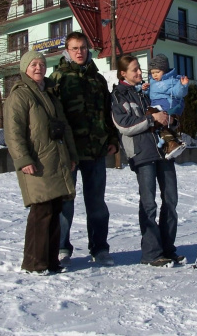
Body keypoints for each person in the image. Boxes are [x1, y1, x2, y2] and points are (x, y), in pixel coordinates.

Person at [4, 50, 78, 274]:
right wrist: (23, 158)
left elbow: (64, 127)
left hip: (55, 160)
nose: (38, 68)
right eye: (33, 64)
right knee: (41, 211)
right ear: (24, 68)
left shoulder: (49, 94)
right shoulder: (20, 95)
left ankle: (50, 261)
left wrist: (72, 155)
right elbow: (13, 132)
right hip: (36, 162)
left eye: (42, 64)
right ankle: (34, 262)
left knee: (54, 209)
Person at [48, 32, 119, 267]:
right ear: (67, 51)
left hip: (96, 150)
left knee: (96, 203)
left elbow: (107, 111)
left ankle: (99, 248)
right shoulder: (57, 78)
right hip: (69, 153)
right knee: (65, 202)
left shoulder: (97, 79)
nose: (80, 52)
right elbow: (52, 117)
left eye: (83, 48)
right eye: (75, 48)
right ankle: (61, 247)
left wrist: (112, 138)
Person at [111, 55, 184, 267]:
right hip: (142, 154)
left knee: (171, 199)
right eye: (134, 70)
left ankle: (168, 249)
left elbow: (166, 112)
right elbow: (124, 124)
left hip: (163, 150)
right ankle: (151, 253)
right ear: (123, 73)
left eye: (139, 70)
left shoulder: (146, 91)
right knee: (149, 203)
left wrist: (171, 119)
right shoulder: (118, 95)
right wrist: (152, 119)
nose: (140, 73)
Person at [145, 53, 190, 159]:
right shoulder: (152, 82)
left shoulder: (171, 81)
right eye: (152, 72)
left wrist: (182, 86)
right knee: (158, 126)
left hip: (166, 105)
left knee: (151, 117)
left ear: (164, 71)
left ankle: (171, 143)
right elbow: (150, 94)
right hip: (157, 105)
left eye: (157, 72)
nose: (155, 75)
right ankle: (174, 142)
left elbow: (178, 93)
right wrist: (144, 88)